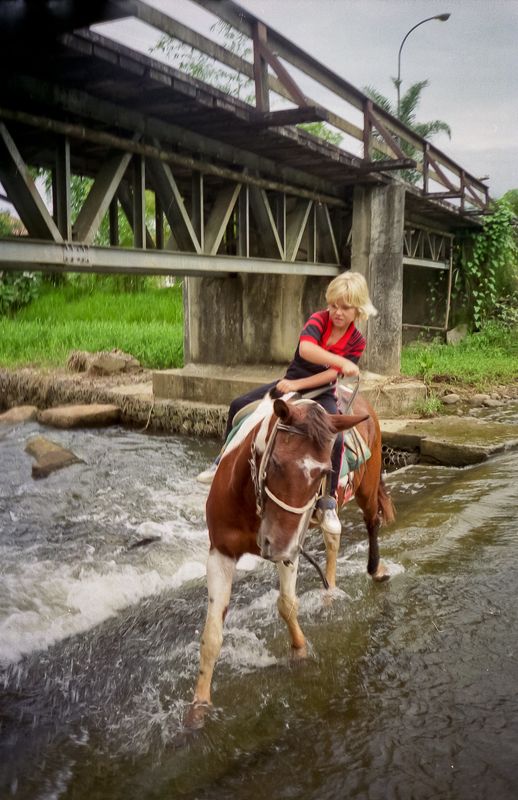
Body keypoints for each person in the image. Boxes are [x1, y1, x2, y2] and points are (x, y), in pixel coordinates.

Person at [196, 271, 377, 536]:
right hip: (291, 379)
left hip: (323, 390)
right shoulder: (318, 320)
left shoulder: (357, 341)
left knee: (335, 439)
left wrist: (303, 385)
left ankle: (328, 502)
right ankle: (220, 461)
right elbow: (306, 350)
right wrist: (302, 380)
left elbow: (331, 376)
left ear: (357, 310)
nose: (337, 312)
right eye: (334, 305)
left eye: (345, 307)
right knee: (238, 405)